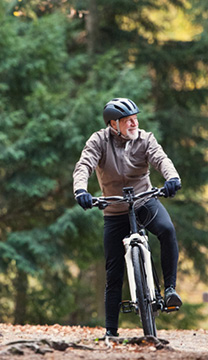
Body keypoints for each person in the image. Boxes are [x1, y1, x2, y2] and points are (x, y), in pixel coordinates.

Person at [72, 98, 182, 337]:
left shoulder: (145, 139)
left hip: (145, 201)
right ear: (113, 124)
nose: (134, 123)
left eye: (135, 118)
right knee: (113, 272)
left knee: (167, 230)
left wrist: (172, 177)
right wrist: (80, 189)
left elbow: (161, 159)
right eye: (128, 120)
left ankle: (170, 289)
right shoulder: (98, 141)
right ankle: (111, 332)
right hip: (114, 209)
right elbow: (84, 165)